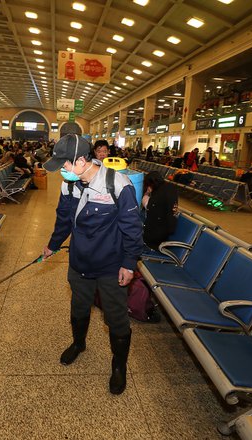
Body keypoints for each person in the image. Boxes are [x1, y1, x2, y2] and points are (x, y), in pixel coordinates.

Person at [42, 134, 143, 395]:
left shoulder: (117, 184)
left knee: (117, 318)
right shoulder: (69, 185)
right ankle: (79, 343)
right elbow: (63, 219)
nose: (62, 171)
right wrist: (53, 244)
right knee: (78, 306)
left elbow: (132, 229)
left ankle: (119, 366)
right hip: (79, 261)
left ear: (81, 161)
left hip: (111, 265)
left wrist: (129, 264)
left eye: (65, 164)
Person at [142, 171, 179, 250]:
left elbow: (150, 208)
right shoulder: (171, 187)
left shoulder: (157, 192)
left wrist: (146, 194)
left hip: (156, 235)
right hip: (165, 230)